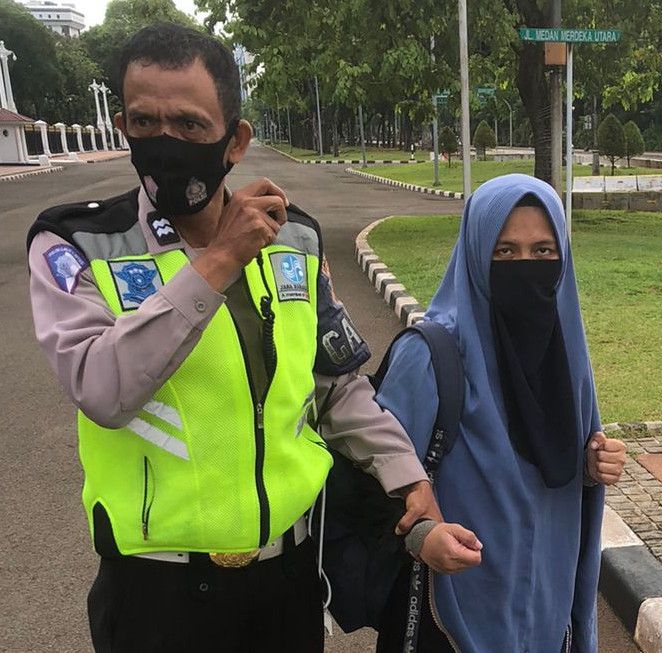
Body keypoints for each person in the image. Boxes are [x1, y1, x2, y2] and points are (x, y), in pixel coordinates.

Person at [26, 24, 478, 652]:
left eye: (188, 124)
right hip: (155, 595)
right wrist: (218, 260)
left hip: (286, 581)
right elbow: (103, 390)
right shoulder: (78, 244)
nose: (166, 141)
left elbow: (334, 385)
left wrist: (404, 473)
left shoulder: (294, 241)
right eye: (144, 121)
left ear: (234, 141)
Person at [374, 174, 628, 653]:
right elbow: (371, 474)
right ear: (475, 255)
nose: (525, 266)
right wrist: (422, 537)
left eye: (543, 252)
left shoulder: (567, 357)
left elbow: (553, 462)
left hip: (547, 618)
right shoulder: (430, 355)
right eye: (505, 252)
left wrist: (591, 467)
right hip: (450, 618)